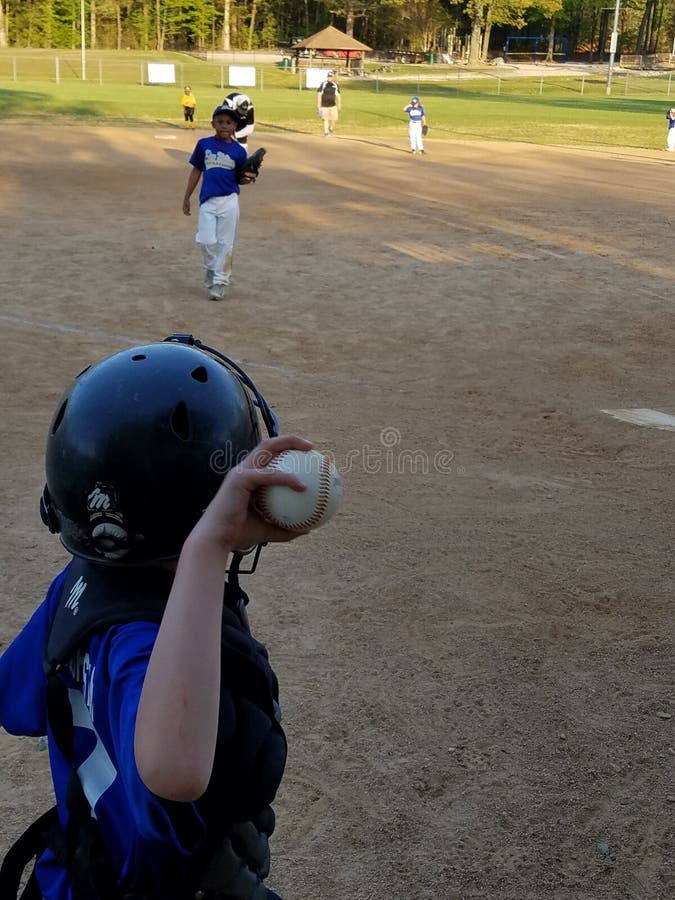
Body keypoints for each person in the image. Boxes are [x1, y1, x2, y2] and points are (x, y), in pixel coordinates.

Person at [0, 333, 314, 900]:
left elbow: (13, 701)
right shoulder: (147, 649)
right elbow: (175, 771)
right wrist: (208, 544)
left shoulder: (78, 589)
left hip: (68, 878)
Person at [182, 104, 257, 301]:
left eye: (229, 122)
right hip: (208, 200)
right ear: (213, 123)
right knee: (205, 240)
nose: (224, 125)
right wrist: (187, 196)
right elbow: (196, 170)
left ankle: (219, 283)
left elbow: (240, 178)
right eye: (220, 122)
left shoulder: (239, 151)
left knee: (225, 244)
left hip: (229, 201)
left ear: (234, 126)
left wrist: (249, 177)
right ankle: (211, 268)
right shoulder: (203, 144)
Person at [317, 71, 341, 137]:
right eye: (328, 77)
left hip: (333, 105)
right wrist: (318, 104)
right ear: (327, 77)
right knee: (325, 119)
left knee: (334, 119)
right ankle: (326, 132)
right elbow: (319, 94)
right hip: (324, 105)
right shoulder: (324, 84)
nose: (329, 78)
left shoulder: (335, 85)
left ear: (333, 77)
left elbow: (338, 95)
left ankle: (331, 128)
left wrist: (339, 104)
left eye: (331, 77)